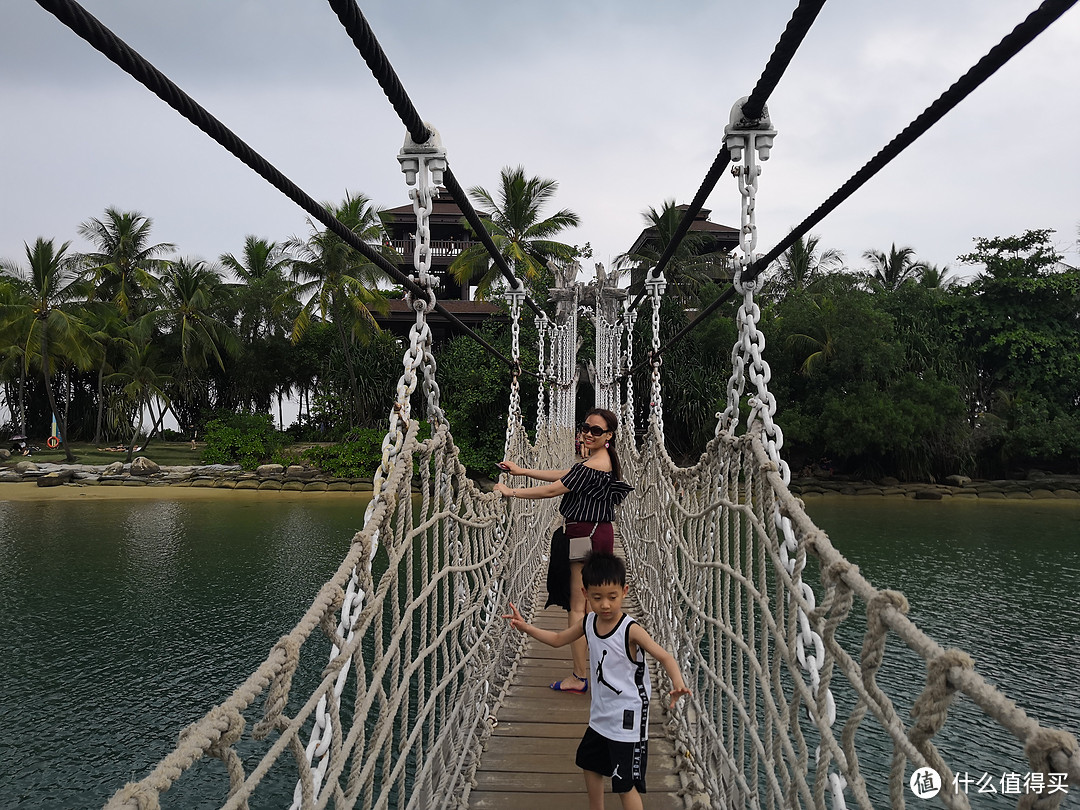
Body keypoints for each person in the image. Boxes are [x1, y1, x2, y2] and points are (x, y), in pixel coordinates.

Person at [503, 552, 691, 810]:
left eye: (612, 597)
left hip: (628, 718)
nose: (605, 605)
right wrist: (527, 628)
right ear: (585, 593)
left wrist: (677, 683)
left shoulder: (631, 629)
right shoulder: (588, 622)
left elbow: (665, 657)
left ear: (624, 592)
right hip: (601, 715)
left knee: (625, 785)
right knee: (589, 764)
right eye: (597, 597)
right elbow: (558, 639)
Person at [494, 407, 632, 694]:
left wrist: (512, 492)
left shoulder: (597, 463)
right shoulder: (599, 461)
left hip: (585, 535)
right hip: (595, 533)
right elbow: (566, 474)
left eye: (597, 430)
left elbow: (553, 490)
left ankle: (579, 677)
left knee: (578, 607)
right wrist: (523, 471)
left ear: (609, 436)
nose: (588, 433)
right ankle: (609, 667)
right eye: (586, 427)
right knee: (594, 604)